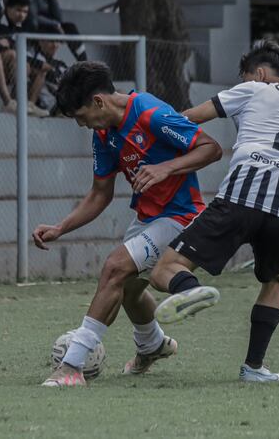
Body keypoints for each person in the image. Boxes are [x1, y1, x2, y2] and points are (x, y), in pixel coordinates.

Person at [33, 61, 223, 387]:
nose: (81, 125)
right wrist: (61, 227)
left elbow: (212, 148)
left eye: (80, 116)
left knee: (114, 267)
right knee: (130, 291)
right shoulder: (103, 134)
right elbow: (99, 194)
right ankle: (152, 346)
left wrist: (167, 168)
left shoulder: (151, 114)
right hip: (148, 219)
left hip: (181, 216)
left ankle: (72, 367)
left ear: (98, 102)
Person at [149, 40, 279, 384]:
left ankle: (188, 289)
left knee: (165, 269)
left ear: (258, 73)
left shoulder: (256, 88)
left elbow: (193, 118)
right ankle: (254, 368)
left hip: (244, 194)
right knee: (276, 280)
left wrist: (156, 130)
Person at [16, 0, 87, 62]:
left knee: (70, 27)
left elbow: (59, 19)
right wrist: (56, 24)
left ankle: (84, 62)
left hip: (44, 27)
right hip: (29, 29)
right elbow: (33, 17)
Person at [0, 0, 49, 117]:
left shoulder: (20, 26)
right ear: (8, 8)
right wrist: (38, 63)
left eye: (25, 12)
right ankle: (17, 103)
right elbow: (9, 49)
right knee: (21, 62)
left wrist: (40, 64)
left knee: (42, 70)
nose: (22, 15)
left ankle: (30, 104)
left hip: (16, 60)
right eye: (18, 10)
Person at [27, 24, 68, 115]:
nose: (55, 45)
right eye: (51, 41)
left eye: (57, 41)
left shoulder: (60, 64)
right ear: (40, 41)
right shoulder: (31, 57)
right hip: (47, 102)